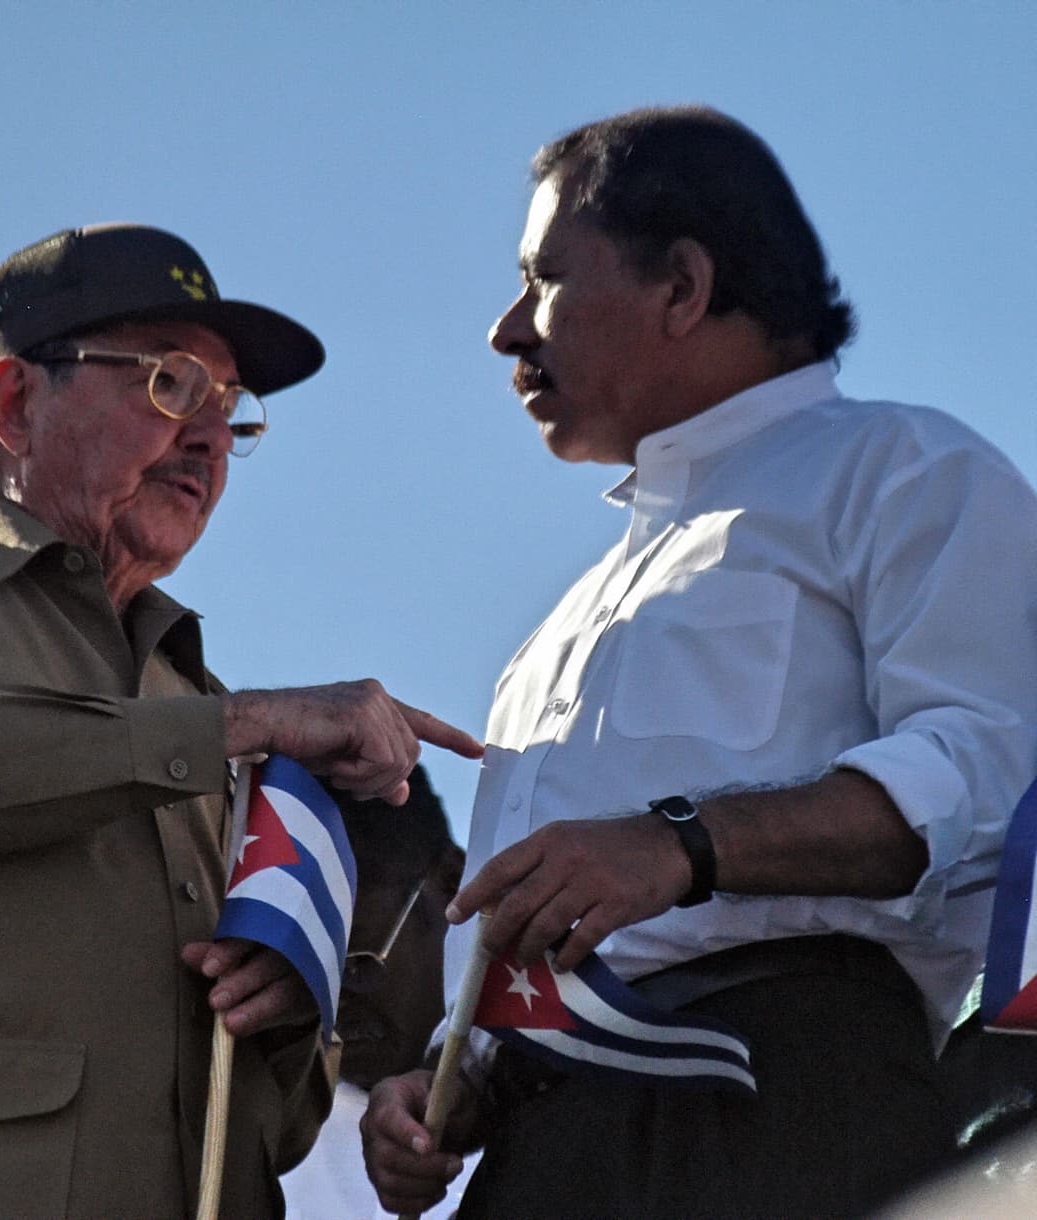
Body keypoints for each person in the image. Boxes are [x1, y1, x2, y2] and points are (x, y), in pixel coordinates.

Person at [361, 106, 1037, 1219]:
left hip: (783, 1116)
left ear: (680, 284)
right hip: (542, 1157)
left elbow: (988, 767)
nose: (504, 330)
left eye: (542, 279)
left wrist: (681, 844)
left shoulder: (907, 470)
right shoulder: (554, 630)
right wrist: (440, 1083)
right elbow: (517, 947)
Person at [0, 222, 481, 1219]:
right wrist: (243, 723)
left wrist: (280, 1009)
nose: (211, 435)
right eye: (173, 384)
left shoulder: (197, 704)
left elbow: (277, 1131)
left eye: (231, 409)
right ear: (16, 401)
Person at [282, 765, 481, 1220]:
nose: (330, 999)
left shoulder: (568, 1095)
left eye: (356, 960)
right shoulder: (258, 1149)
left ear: (453, 883)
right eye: (302, 969)